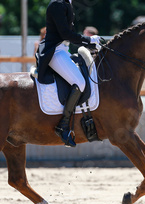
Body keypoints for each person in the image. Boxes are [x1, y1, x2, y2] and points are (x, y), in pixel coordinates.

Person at [36, 0, 101, 147]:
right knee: (80, 82)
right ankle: (63, 125)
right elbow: (65, 33)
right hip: (54, 51)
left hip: (63, 50)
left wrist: (90, 42)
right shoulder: (57, 4)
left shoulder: (67, 2)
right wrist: (88, 39)